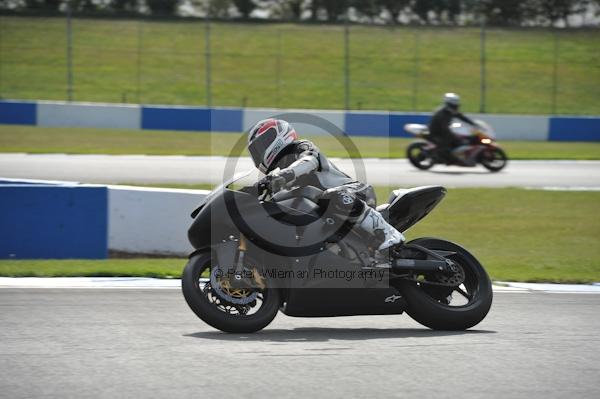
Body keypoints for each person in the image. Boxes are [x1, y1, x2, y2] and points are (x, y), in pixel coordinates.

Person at [247, 118, 404, 254]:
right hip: (330, 212)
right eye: (256, 150)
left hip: (355, 193)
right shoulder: (280, 177)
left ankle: (388, 234)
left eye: (262, 144)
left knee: (332, 196)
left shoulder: (301, 148)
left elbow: (308, 161)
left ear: (279, 135)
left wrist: (280, 176)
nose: (259, 152)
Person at [428, 93, 479, 163]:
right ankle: (447, 158)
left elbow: (461, 117)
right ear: (450, 104)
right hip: (436, 132)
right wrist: (452, 134)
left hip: (442, 130)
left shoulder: (450, 111)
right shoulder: (442, 113)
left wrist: (473, 124)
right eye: (455, 105)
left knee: (459, 138)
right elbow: (444, 127)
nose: (457, 106)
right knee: (451, 141)